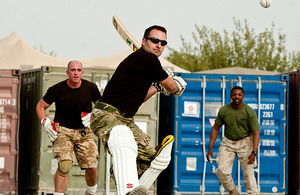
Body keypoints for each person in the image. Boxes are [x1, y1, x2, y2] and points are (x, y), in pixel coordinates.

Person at [90, 25, 186, 195]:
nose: (159, 45)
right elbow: (172, 87)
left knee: (153, 158)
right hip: (107, 114)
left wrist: (157, 87)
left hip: (125, 117)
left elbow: (138, 99)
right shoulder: (147, 59)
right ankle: (127, 185)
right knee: (123, 139)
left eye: (163, 42)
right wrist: (176, 85)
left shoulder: (144, 63)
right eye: (155, 40)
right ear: (143, 41)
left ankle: (122, 174)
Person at [36, 60, 100, 195]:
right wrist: (45, 122)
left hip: (84, 131)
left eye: (78, 70)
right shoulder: (56, 89)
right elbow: (40, 106)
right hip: (63, 131)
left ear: (82, 73)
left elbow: (101, 107)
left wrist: (94, 115)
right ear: (67, 73)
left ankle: (91, 192)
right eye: (72, 70)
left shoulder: (91, 88)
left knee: (92, 166)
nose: (75, 73)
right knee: (64, 165)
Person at [206, 86, 260, 195]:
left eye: (239, 94)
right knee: (221, 169)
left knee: (249, 174)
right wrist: (210, 148)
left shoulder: (249, 112)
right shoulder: (224, 110)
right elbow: (216, 128)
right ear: (231, 96)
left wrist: (254, 152)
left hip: (245, 142)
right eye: (234, 94)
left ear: (243, 96)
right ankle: (232, 191)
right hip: (228, 142)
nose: (236, 97)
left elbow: (255, 133)